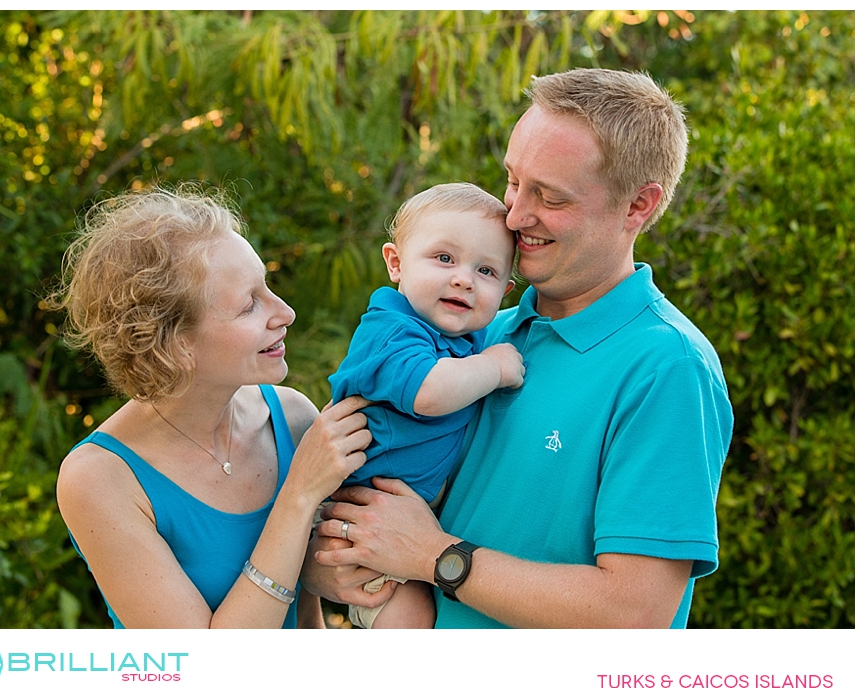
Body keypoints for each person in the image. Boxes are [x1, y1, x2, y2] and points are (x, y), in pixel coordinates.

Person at [306, 68, 735, 628]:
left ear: (638, 205)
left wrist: (436, 557)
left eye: (549, 196)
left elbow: (635, 615)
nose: (513, 215)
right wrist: (331, 563)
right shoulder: (480, 335)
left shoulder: (668, 367)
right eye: (513, 181)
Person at [50, 185, 371, 628]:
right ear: (176, 344)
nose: (286, 312)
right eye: (249, 305)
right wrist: (298, 495)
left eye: (267, 286)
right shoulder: (99, 479)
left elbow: (306, 620)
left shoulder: (294, 418)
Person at [327, 182, 524, 628]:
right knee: (410, 618)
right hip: (363, 517)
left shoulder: (465, 339)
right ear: (396, 263)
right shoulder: (392, 329)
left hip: (411, 523)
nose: (464, 279)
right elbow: (429, 393)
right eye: (444, 258)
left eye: (486, 271)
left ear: (506, 290)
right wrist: (494, 367)